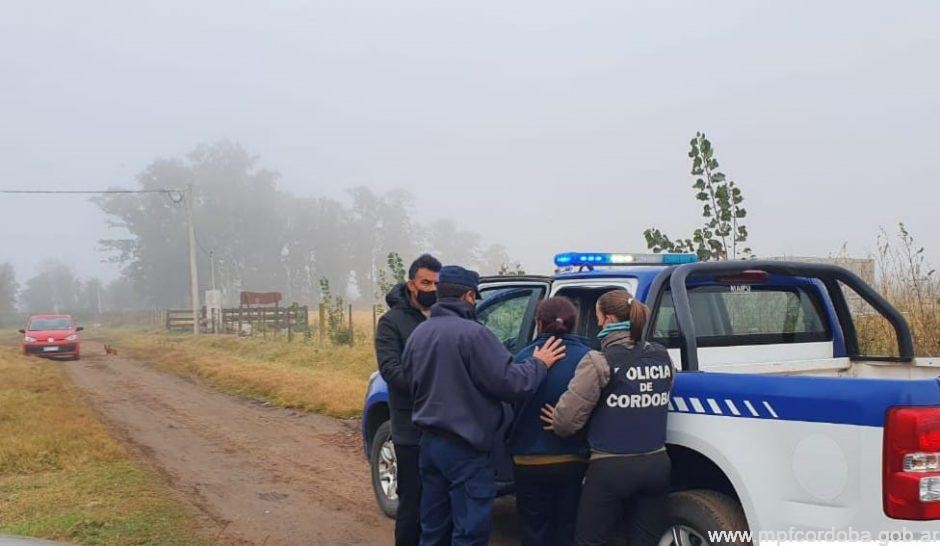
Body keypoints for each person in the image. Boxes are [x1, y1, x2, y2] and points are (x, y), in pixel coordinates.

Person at [403, 265, 567, 546]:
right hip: (466, 450)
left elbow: (409, 382)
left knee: (433, 529)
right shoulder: (474, 335)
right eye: (474, 298)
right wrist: (540, 363)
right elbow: (512, 383)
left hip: (429, 446)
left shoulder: (419, 334)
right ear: (468, 296)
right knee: (469, 533)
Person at [540, 289, 675, 546]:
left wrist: (556, 419)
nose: (598, 323)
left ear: (610, 319)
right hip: (657, 464)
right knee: (645, 540)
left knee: (590, 541)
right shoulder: (662, 355)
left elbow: (567, 422)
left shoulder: (598, 360)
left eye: (599, 317)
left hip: (611, 468)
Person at [508, 297, 593, 546]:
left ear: (538, 322)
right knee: (566, 526)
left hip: (528, 459)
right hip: (573, 458)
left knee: (534, 529)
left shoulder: (522, 357)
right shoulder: (589, 359)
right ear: (574, 324)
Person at [374, 253, 442, 546]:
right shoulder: (391, 322)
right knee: (412, 502)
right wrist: (435, 386)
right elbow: (391, 370)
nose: (431, 289)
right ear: (411, 284)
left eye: (436, 283)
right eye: (425, 282)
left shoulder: (443, 315)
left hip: (441, 427)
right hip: (410, 429)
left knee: (439, 503)